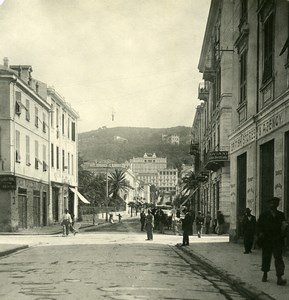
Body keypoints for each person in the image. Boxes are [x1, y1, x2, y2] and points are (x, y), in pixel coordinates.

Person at [257, 197, 288, 285]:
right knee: (266, 257)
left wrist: (284, 230)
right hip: (267, 239)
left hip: (277, 239)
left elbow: (284, 226)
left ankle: (279, 277)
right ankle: (265, 273)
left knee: (278, 258)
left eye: (275, 203)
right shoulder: (264, 215)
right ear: (268, 205)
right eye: (271, 203)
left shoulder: (281, 215)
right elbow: (258, 226)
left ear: (277, 205)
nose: (273, 205)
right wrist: (260, 233)